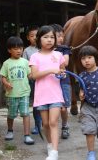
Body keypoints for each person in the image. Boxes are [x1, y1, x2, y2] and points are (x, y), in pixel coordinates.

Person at [29, 25, 65, 160]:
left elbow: (62, 72)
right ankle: (50, 144)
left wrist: (62, 74)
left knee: (53, 122)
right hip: (41, 96)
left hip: (56, 94)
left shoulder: (59, 55)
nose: (49, 40)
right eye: (45, 37)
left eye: (52, 37)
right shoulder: (34, 56)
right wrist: (51, 70)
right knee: (45, 124)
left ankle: (54, 152)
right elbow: (34, 75)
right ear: (39, 39)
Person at [0, 36, 35, 145]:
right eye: (15, 48)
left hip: (24, 93)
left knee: (25, 114)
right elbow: (3, 77)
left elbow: (30, 75)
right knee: (11, 115)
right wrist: (6, 83)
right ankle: (10, 131)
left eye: (20, 48)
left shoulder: (25, 62)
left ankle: (27, 135)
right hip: (11, 94)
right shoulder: (6, 63)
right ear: (9, 50)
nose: (19, 50)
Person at [51, 24, 71, 139]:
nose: (61, 39)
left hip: (63, 81)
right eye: (58, 36)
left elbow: (65, 63)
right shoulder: (43, 51)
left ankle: (64, 126)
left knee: (63, 107)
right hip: (50, 82)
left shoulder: (64, 49)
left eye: (62, 36)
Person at [22, 25, 42, 135]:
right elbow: (25, 65)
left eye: (37, 35)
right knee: (36, 103)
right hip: (33, 81)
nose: (35, 37)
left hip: (45, 80)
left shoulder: (45, 48)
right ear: (27, 38)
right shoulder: (27, 51)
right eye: (32, 35)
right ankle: (37, 125)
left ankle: (46, 122)